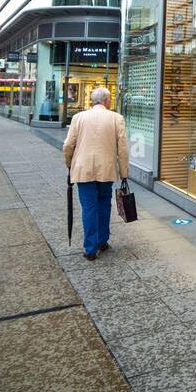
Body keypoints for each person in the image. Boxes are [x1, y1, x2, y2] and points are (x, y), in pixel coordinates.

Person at [62, 86, 128, 261]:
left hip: (84, 169)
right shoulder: (116, 118)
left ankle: (90, 249)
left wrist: (70, 164)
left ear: (93, 100)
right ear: (107, 100)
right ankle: (102, 241)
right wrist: (124, 172)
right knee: (104, 204)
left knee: (89, 208)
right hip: (106, 170)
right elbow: (122, 149)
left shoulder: (78, 117)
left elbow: (68, 145)